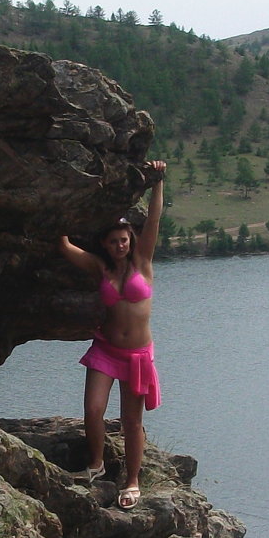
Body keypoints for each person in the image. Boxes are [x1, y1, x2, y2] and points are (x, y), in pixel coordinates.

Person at [59, 161, 167, 510]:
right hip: (106, 349)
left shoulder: (143, 262)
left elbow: (153, 220)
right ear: (105, 244)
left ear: (129, 239)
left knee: (132, 422)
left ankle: (132, 481)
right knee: (93, 409)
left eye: (123, 240)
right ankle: (96, 464)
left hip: (136, 355)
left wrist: (157, 182)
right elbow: (64, 248)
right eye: (113, 241)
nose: (120, 245)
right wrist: (57, 208)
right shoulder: (100, 266)